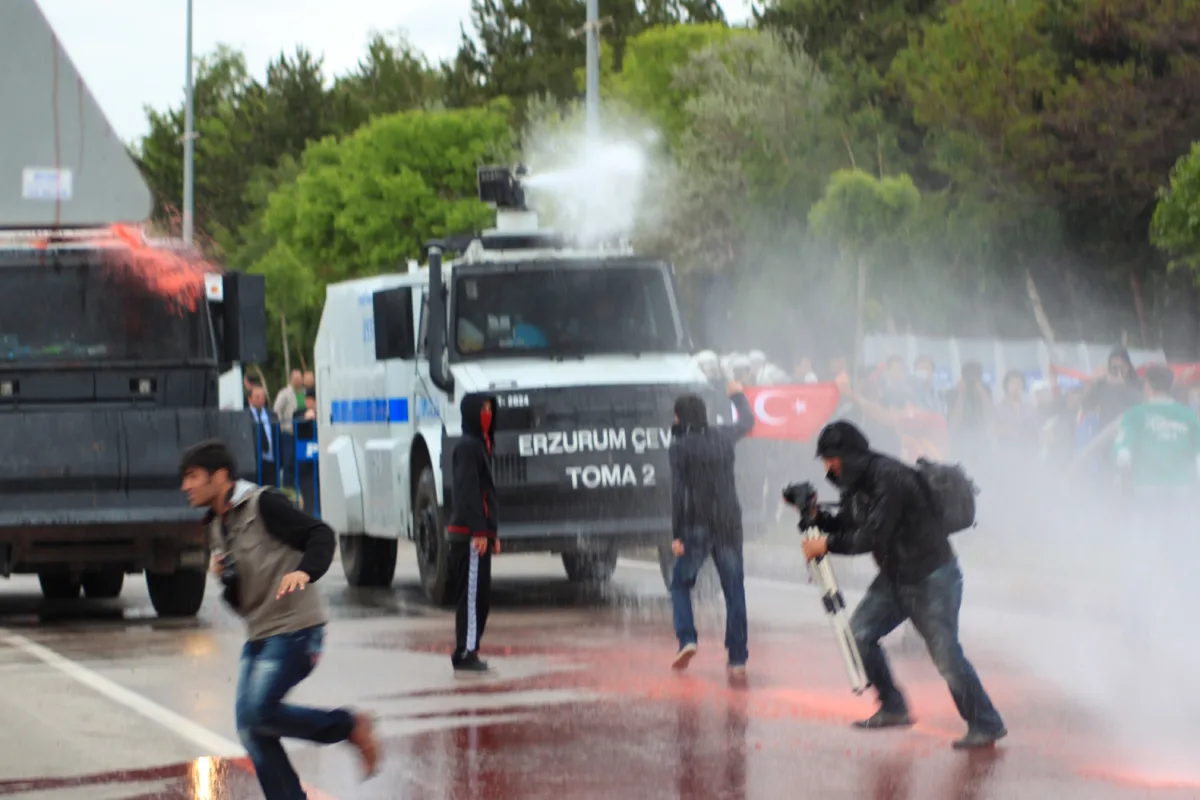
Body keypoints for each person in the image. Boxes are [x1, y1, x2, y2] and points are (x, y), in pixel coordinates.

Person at [178, 440, 379, 798]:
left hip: (297, 629)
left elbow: (320, 534)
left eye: (193, 476)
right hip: (260, 634)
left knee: (259, 713)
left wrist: (305, 571)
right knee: (252, 728)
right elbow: (241, 601)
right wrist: (226, 580)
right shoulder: (214, 526)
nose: (186, 486)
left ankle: (348, 726)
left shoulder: (264, 504)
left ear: (220, 476)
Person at [800, 420, 1006, 750]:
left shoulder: (890, 478)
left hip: (932, 577)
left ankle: (986, 722)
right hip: (897, 575)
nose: (827, 466)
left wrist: (824, 544)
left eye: (830, 458)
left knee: (946, 657)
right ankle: (893, 706)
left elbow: (870, 536)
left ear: (848, 455)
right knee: (860, 635)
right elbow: (850, 521)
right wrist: (814, 515)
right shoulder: (858, 482)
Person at [668, 381, 756, 674]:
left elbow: (678, 493)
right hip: (729, 523)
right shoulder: (723, 436)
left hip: (697, 524)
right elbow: (747, 421)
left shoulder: (680, 447)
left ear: (679, 417)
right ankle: (738, 657)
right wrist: (737, 395)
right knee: (734, 590)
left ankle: (687, 639)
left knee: (680, 583)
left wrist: (677, 534)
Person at [447, 393, 500, 674]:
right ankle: (465, 651)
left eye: (491, 409)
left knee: (481, 597)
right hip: (468, 536)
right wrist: (480, 531)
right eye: (483, 409)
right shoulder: (468, 447)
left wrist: (492, 532)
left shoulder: (481, 446)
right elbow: (469, 492)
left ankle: (470, 647)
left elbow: (486, 495)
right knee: (471, 597)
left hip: (479, 535)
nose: (488, 414)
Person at [1114, 364, 1200, 503]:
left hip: (1146, 486)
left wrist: (1123, 483)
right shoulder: (1189, 415)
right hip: (1181, 487)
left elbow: (1122, 454)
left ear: (1147, 386)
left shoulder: (1134, 415)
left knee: (1148, 525)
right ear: (1170, 386)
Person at [247, 385, 278, 487]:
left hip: (270, 460)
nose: (261, 400)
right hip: (255, 461)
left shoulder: (271, 415)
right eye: (257, 397)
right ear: (250, 399)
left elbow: (276, 436)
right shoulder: (246, 416)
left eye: (263, 397)